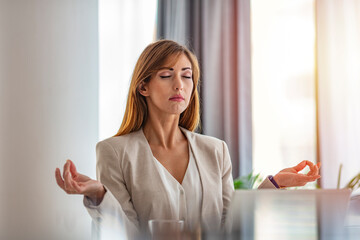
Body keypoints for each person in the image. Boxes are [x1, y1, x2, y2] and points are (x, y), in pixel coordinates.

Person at [55, 40, 321, 239]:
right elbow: (125, 232)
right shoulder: (114, 151)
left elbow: (230, 227)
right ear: (143, 86)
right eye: (166, 75)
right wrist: (100, 194)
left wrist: (273, 184)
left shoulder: (215, 150)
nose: (179, 85)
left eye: (186, 75)